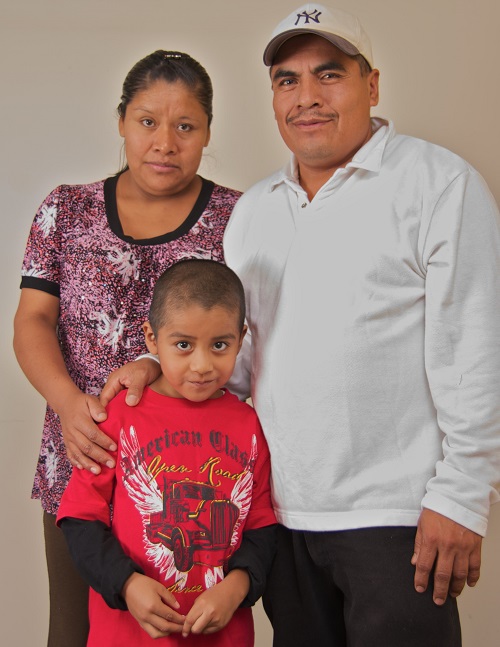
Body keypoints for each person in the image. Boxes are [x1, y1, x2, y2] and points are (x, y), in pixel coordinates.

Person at [66, 5, 500, 646]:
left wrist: (462, 496)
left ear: (372, 85)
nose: (307, 97)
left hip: (397, 516)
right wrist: (159, 366)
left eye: (330, 74)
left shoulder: (438, 184)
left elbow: (475, 353)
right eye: (287, 80)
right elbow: (240, 361)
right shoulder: (256, 211)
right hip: (284, 518)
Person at [13, 50, 241, 647]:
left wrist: (157, 364)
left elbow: (252, 337)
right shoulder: (66, 210)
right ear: (121, 121)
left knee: (184, 633)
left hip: (190, 479)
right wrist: (68, 404)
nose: (165, 142)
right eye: (146, 121)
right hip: (82, 462)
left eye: (185, 126)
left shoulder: (240, 218)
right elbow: (32, 321)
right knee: (72, 631)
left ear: (208, 131)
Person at [56, 259, 277, 646]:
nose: (202, 365)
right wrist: (127, 584)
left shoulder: (249, 425)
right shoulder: (120, 415)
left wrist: (237, 586)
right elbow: (80, 518)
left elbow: (261, 525)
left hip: (223, 637)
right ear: (152, 339)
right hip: (126, 636)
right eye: (183, 345)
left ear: (241, 339)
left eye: (220, 345)